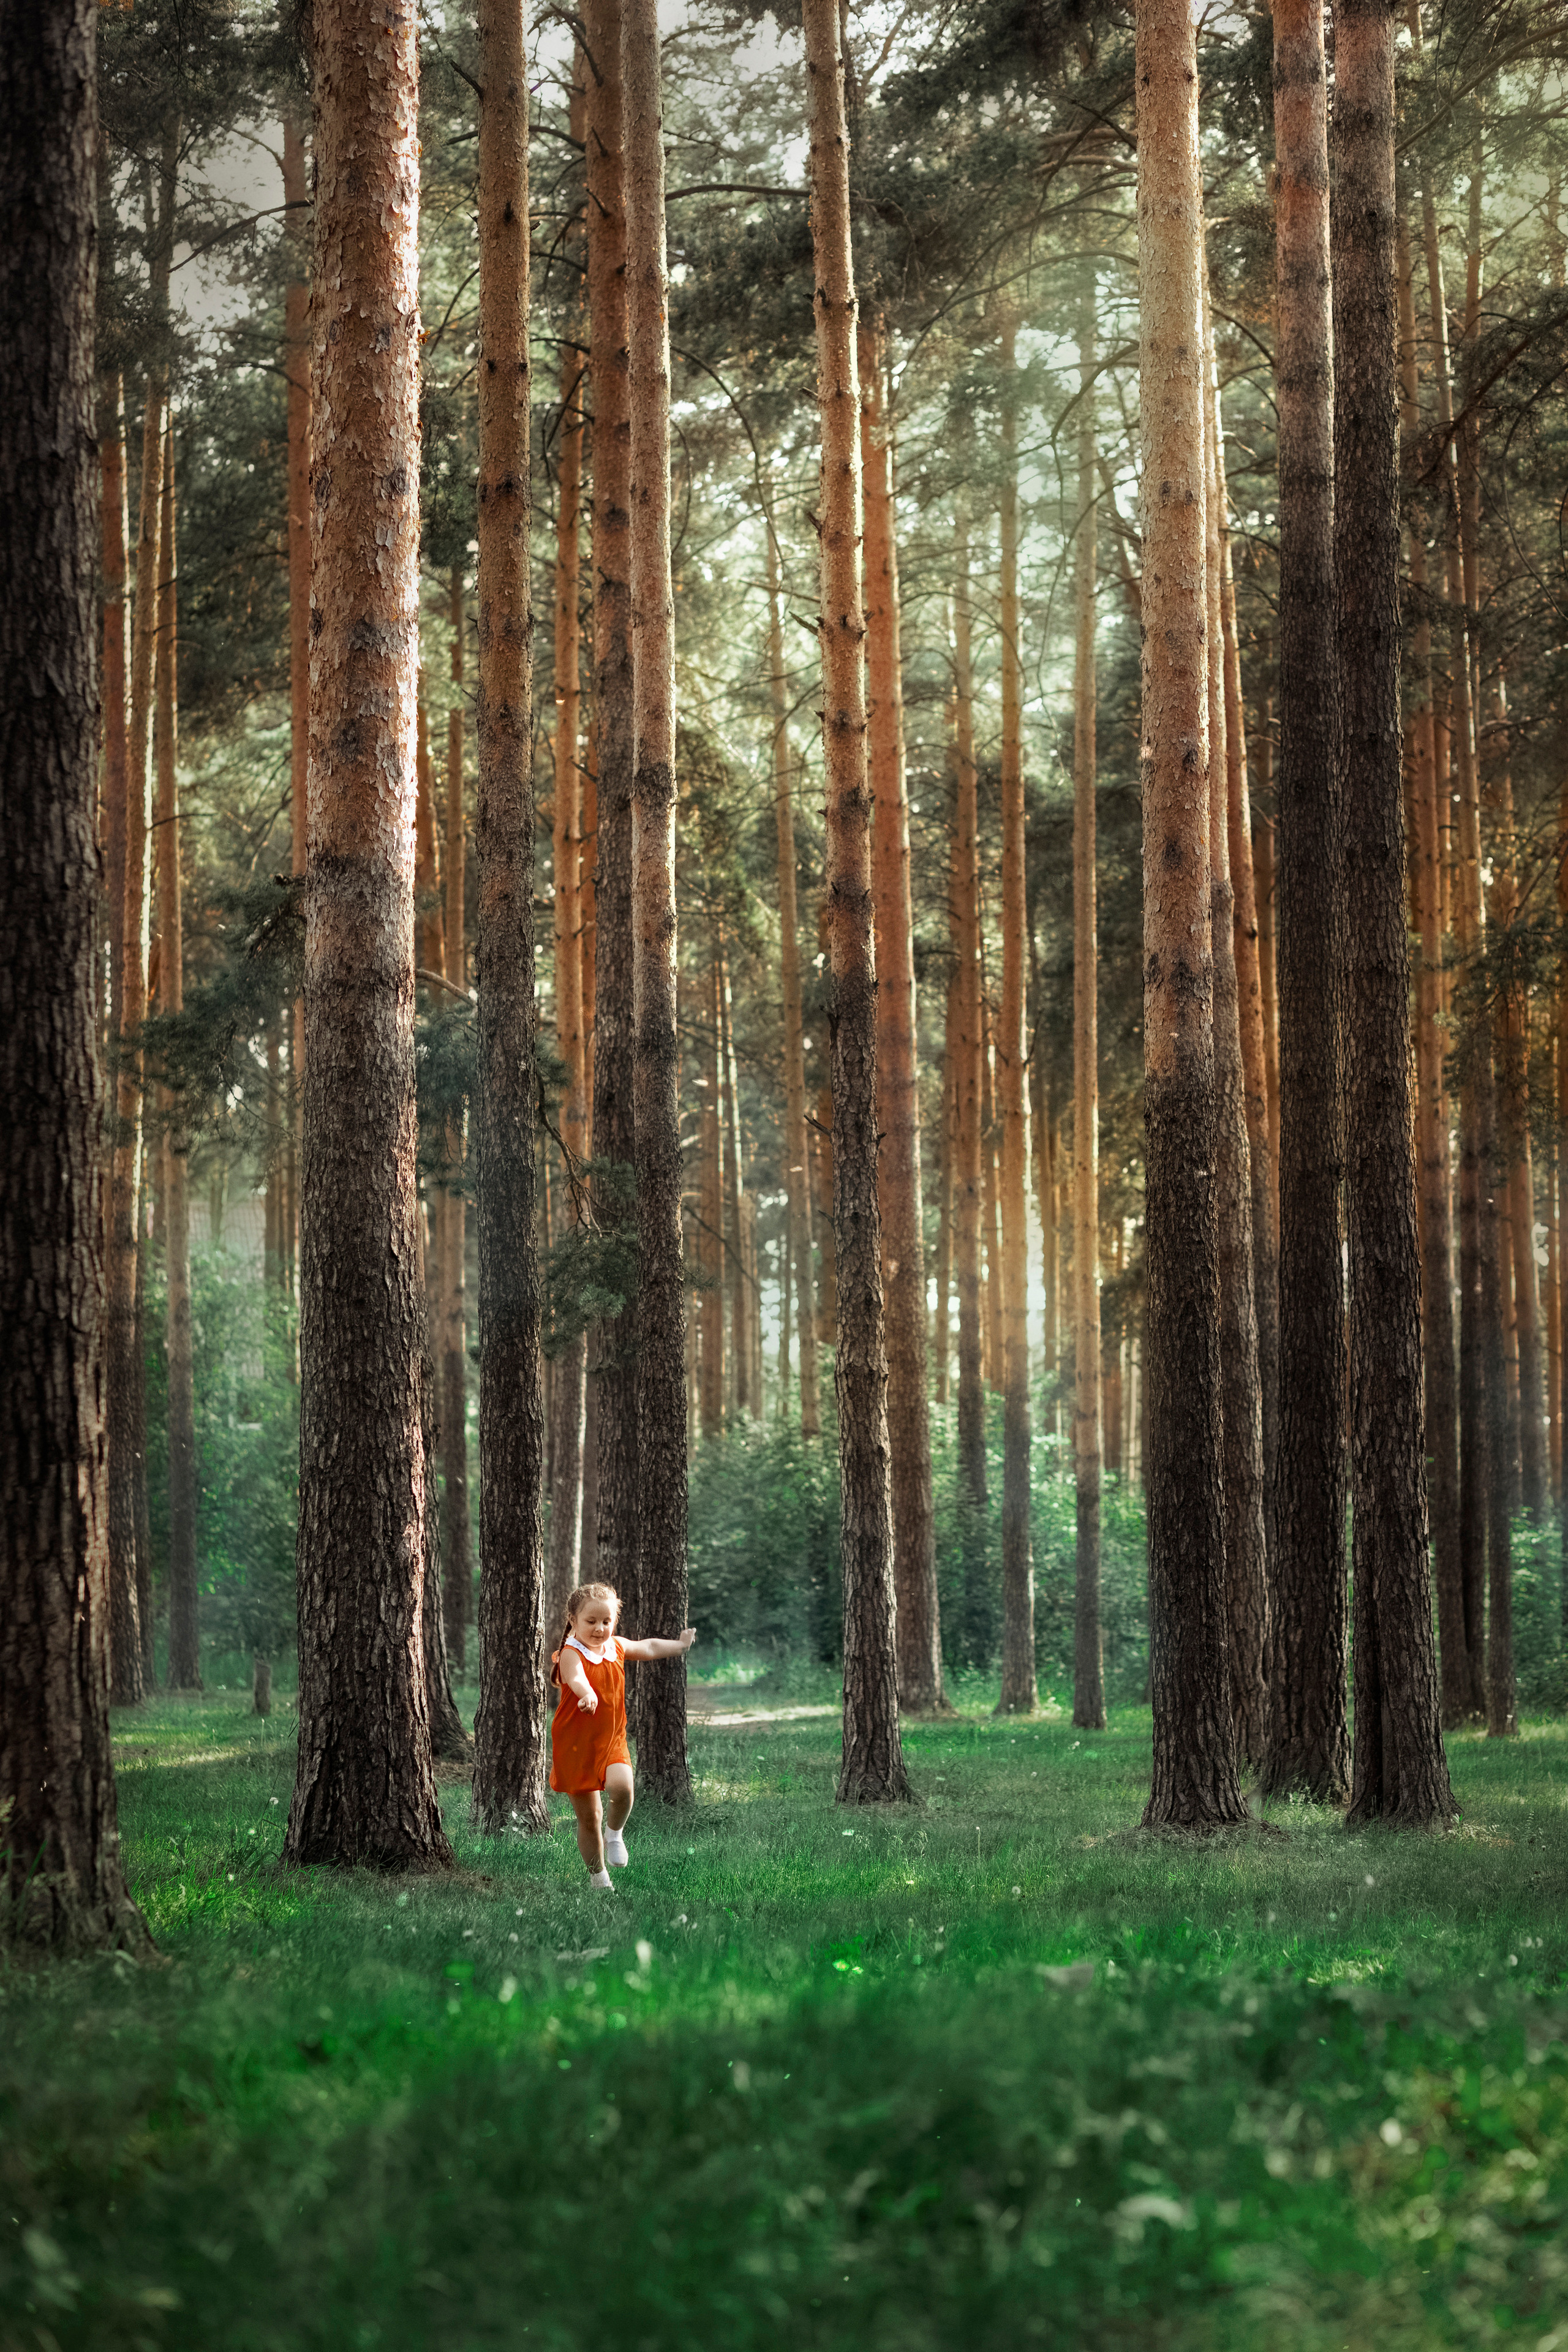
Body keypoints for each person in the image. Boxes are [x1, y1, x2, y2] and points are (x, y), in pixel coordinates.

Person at [549, 1581, 696, 1888]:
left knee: (624, 1790)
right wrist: (586, 1693)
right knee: (589, 1818)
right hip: (576, 1744)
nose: (600, 1628)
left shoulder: (615, 1647)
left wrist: (680, 1645)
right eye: (591, 1621)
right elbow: (575, 1677)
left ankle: (615, 1834)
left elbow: (649, 1647)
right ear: (573, 1621)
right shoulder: (569, 1653)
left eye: (607, 1621)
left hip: (611, 1739)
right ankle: (599, 1877)